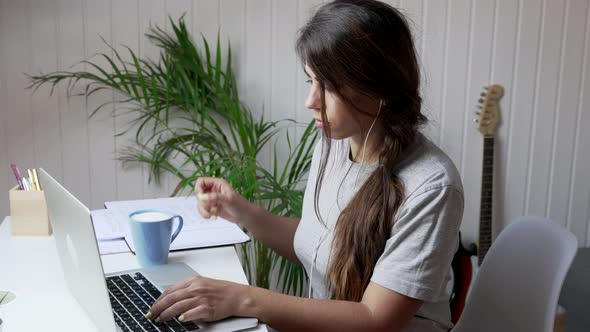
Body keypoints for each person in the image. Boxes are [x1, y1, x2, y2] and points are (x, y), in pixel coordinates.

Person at [147, 0, 464, 331]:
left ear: (376, 86)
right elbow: (317, 244)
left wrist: (242, 297)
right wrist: (241, 211)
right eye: (310, 82)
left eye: (326, 86)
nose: (310, 101)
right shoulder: (334, 144)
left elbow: (376, 319)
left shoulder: (432, 186)